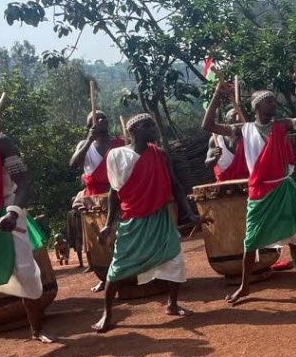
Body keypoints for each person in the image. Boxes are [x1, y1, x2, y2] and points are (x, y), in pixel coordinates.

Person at [202, 76, 296, 304]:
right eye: (269, 102)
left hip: (283, 187)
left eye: (274, 102)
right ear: (256, 107)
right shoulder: (243, 129)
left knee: (294, 239)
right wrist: (217, 95)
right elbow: (208, 126)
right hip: (259, 191)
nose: (274, 105)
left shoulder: (281, 125)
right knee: (250, 240)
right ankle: (245, 287)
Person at [92, 114, 201, 332]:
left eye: (153, 124)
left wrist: (189, 213)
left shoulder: (159, 154)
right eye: (146, 125)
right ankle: (108, 313)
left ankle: (172, 303)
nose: (153, 128)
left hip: (159, 217)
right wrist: (108, 223)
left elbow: (175, 185)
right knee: (118, 268)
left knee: (174, 257)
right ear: (133, 132)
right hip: (132, 219)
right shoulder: (116, 155)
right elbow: (114, 192)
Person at [0, 123, 53, 342]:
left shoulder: (0, 141)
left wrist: (12, 213)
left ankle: (37, 330)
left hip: (7, 209)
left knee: (25, 271)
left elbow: (24, 183)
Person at [70, 110, 125, 290]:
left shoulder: (119, 142)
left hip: (117, 195)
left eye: (103, 117)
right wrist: (88, 140)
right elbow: (73, 165)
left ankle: (126, 272)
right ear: (89, 126)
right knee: (100, 242)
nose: (101, 120)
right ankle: (104, 275)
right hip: (93, 201)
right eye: (95, 119)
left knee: (120, 237)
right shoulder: (84, 145)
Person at [205, 108, 248, 181]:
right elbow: (208, 164)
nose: (238, 119)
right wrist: (215, 158)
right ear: (226, 121)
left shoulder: (249, 137)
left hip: (248, 181)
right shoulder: (215, 140)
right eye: (234, 116)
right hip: (226, 185)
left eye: (240, 116)